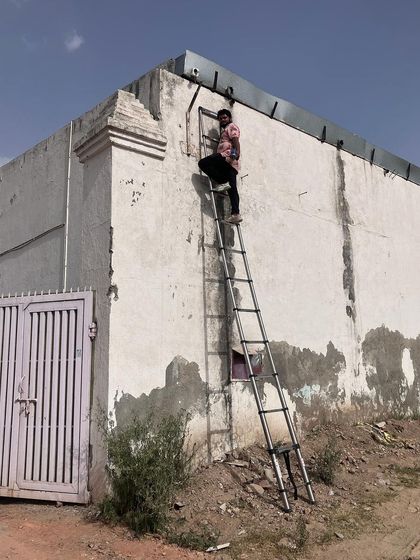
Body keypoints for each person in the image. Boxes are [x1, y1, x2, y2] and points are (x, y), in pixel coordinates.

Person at [198, 109, 242, 224]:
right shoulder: (225, 130)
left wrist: (233, 156)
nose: (222, 120)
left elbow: (236, 142)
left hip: (227, 158)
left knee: (203, 163)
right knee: (232, 189)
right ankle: (235, 214)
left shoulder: (232, 127)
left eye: (225, 117)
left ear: (229, 118)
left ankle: (223, 183)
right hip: (229, 162)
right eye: (221, 118)